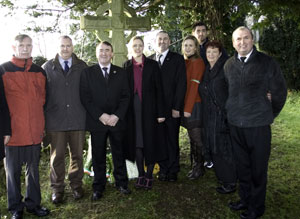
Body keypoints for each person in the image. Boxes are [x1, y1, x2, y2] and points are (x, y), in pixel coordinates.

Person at [225, 26, 287, 219]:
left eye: (245, 38)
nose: (242, 42)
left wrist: (270, 112)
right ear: (233, 43)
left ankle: (256, 208)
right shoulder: (228, 65)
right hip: (236, 124)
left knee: (258, 169)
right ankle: (244, 199)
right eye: (238, 39)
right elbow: (228, 91)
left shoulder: (267, 62)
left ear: (252, 40)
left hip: (258, 125)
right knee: (242, 166)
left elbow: (279, 92)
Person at [1, 34, 50, 219]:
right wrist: (4, 130)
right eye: (21, 45)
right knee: (12, 173)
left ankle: (33, 204)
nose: (25, 48)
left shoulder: (40, 72)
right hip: (12, 133)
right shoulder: (3, 70)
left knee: (33, 171)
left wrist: (41, 124)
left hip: (35, 130)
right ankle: (15, 208)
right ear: (14, 47)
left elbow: (45, 100)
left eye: (29, 45)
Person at [80, 41, 131, 201]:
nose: (104, 53)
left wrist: (116, 116)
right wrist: (101, 115)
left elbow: (126, 96)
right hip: (98, 121)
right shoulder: (87, 73)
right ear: (97, 53)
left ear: (112, 54)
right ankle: (98, 186)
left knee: (119, 153)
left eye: (107, 50)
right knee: (98, 154)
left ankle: (121, 183)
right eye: (101, 50)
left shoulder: (121, 73)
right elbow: (85, 98)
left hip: (117, 121)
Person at [42, 36, 88, 204]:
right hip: (56, 120)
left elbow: (87, 92)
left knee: (77, 154)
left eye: (68, 46)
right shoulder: (47, 67)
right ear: (58, 47)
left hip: (77, 118)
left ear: (73, 47)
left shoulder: (82, 66)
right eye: (62, 46)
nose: (65, 49)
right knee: (57, 156)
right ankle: (57, 188)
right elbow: (42, 95)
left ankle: (76, 185)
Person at [123, 36, 166, 189]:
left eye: (140, 45)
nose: (137, 48)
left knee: (150, 140)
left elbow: (159, 90)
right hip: (133, 111)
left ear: (143, 47)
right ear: (131, 48)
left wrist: (161, 113)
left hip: (150, 109)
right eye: (134, 45)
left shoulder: (153, 65)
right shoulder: (126, 65)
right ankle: (141, 174)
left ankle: (149, 176)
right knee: (137, 142)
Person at [199, 41, 236, 194]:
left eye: (214, 51)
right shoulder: (207, 69)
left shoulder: (225, 68)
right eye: (208, 52)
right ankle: (222, 178)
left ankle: (231, 181)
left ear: (220, 53)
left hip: (222, 115)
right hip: (208, 115)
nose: (211, 54)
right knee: (213, 147)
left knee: (223, 148)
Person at [149, 31, 186, 182]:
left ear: (169, 41)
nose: (162, 41)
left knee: (171, 139)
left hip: (172, 108)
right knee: (159, 140)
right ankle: (163, 169)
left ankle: (173, 169)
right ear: (155, 41)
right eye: (160, 39)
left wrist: (177, 107)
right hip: (155, 110)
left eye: (165, 39)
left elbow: (181, 84)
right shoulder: (149, 60)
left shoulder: (177, 59)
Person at [192, 21, 228, 169]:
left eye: (203, 30)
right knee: (201, 131)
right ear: (194, 33)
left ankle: (219, 161)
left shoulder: (214, 47)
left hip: (216, 92)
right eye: (198, 31)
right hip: (200, 93)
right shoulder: (193, 48)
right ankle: (201, 161)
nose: (201, 33)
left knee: (217, 132)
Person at [181, 35, 205, 180]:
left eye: (191, 45)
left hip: (194, 104)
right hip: (187, 103)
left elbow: (194, 87)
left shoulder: (197, 62)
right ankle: (195, 164)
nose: (188, 48)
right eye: (186, 45)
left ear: (196, 48)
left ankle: (199, 167)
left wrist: (188, 109)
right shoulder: (186, 62)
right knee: (192, 137)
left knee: (197, 138)